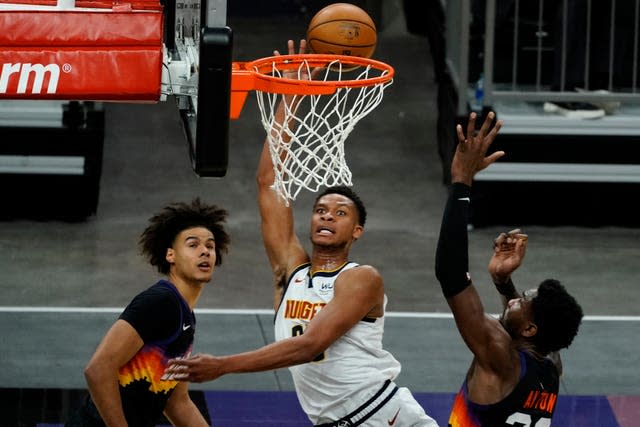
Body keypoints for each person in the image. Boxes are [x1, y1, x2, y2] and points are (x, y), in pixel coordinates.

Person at [163, 40, 439, 427]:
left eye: (340, 213)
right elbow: (268, 182)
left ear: (357, 230)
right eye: (320, 209)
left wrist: (223, 365)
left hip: (384, 415)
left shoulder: (362, 278)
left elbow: (310, 345)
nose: (326, 216)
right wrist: (291, 97)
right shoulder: (289, 271)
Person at [435, 111, 584, 426]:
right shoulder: (551, 366)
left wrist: (461, 182)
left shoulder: (499, 356)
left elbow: (450, 275)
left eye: (522, 300)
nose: (515, 299)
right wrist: (503, 282)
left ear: (531, 329)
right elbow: (524, 327)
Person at [66, 198, 230, 427]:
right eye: (193, 245)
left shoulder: (185, 316)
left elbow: (177, 402)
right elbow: (98, 369)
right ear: (170, 255)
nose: (205, 251)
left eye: (210, 246)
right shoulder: (160, 302)